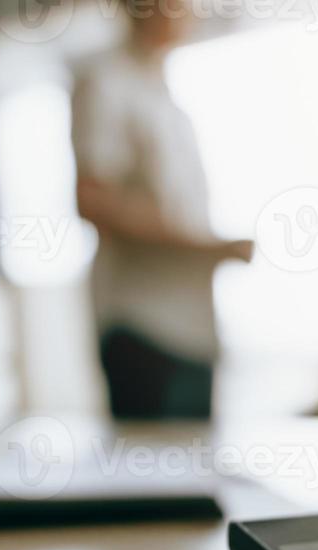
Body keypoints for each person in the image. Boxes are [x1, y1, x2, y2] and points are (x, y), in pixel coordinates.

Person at [71, 2, 253, 420]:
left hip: (192, 328)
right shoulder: (106, 83)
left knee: (198, 469)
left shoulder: (165, 95)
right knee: (155, 477)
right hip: (144, 330)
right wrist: (205, 247)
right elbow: (94, 201)